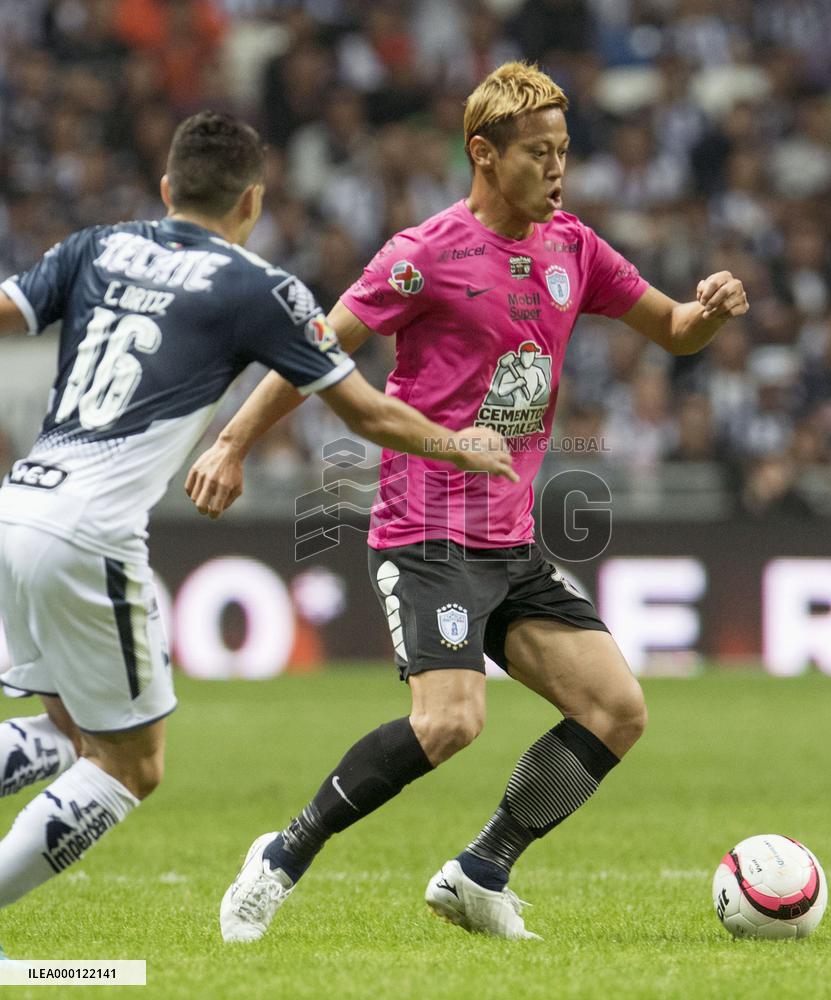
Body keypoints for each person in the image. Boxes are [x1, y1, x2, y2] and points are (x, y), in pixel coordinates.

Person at [189, 63, 748, 943]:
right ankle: (281, 855)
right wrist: (230, 442)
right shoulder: (425, 255)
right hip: (425, 532)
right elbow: (315, 350)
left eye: (563, 152)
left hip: (510, 541)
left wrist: (710, 310)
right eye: (538, 154)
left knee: (617, 709)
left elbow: (673, 328)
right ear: (482, 154)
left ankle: (479, 871)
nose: (557, 171)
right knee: (451, 720)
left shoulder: (572, 246)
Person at [0, 111, 515, 921]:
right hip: (87, 532)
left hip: (19, 504)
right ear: (252, 204)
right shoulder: (259, 286)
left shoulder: (92, 246)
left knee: (67, 731)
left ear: (168, 189)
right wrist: (459, 446)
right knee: (132, 766)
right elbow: (368, 416)